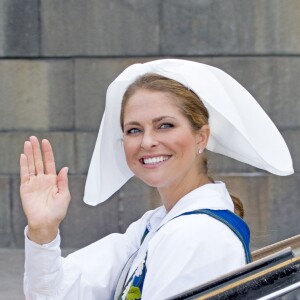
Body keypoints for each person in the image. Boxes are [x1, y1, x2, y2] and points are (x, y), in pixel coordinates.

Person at [20, 59, 294, 300]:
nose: (147, 142)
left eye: (165, 125)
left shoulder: (196, 235)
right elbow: (57, 294)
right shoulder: (154, 226)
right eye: (134, 129)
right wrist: (43, 231)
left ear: (201, 136)